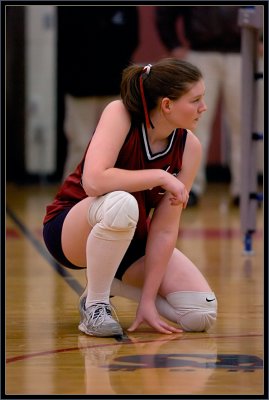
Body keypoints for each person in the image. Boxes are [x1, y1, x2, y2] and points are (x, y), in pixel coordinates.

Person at [43, 58, 217, 337]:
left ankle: (112, 283)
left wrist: (148, 299)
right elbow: (94, 181)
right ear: (167, 105)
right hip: (72, 226)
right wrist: (160, 176)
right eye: (195, 100)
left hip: (130, 237)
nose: (203, 107)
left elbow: (164, 229)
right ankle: (95, 304)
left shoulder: (190, 148)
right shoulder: (120, 112)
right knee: (122, 202)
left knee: (200, 313)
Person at [155, 6, 243, 206]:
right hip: (201, 52)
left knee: (244, 126)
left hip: (243, 50)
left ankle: (244, 188)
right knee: (192, 124)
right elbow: (165, 11)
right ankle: (189, 187)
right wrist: (173, 44)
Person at [57, 6, 139, 179]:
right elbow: (63, 41)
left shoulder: (125, 7)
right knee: (80, 145)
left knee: (117, 145)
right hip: (79, 87)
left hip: (114, 87)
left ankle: (113, 197)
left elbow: (133, 39)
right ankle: (70, 199)